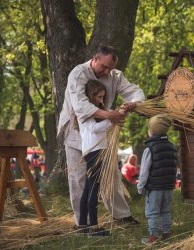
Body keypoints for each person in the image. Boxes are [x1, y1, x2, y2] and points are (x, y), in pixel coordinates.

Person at [57, 45, 145, 228]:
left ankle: (121, 216)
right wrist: (110, 116)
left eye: (110, 68)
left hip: (100, 135)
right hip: (75, 132)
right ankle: (83, 222)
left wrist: (133, 104)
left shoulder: (115, 76)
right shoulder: (78, 73)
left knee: (110, 174)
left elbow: (134, 91)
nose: (107, 71)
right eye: (104, 66)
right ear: (95, 58)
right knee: (78, 178)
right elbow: (80, 106)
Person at [78, 80, 113, 236]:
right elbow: (94, 129)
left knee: (88, 188)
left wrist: (119, 113)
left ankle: (83, 225)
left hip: (95, 150)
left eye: (102, 97)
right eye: (99, 97)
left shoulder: (98, 110)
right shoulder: (87, 111)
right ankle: (94, 227)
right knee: (93, 188)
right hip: (94, 152)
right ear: (91, 95)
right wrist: (112, 119)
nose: (101, 100)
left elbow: (108, 117)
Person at [137, 114, 178, 244]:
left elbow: (144, 171)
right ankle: (167, 234)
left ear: (151, 131)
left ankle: (153, 237)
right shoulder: (172, 146)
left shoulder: (149, 148)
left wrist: (140, 186)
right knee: (166, 211)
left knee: (153, 212)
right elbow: (174, 166)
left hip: (155, 187)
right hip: (169, 187)